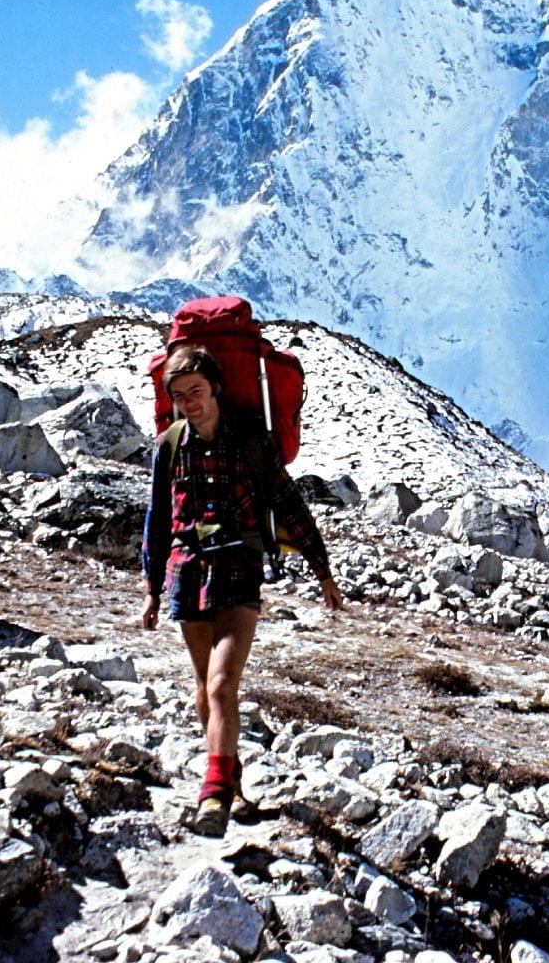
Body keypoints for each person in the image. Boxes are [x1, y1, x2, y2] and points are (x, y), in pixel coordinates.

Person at [140, 344, 345, 836]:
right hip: (186, 573)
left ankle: (213, 795)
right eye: (180, 395)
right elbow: (157, 521)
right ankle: (227, 770)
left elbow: (287, 501)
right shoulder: (170, 447)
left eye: (197, 391)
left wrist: (322, 569)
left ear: (215, 388)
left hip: (239, 568)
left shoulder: (251, 441)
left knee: (221, 684)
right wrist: (150, 587)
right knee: (204, 690)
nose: (190, 402)